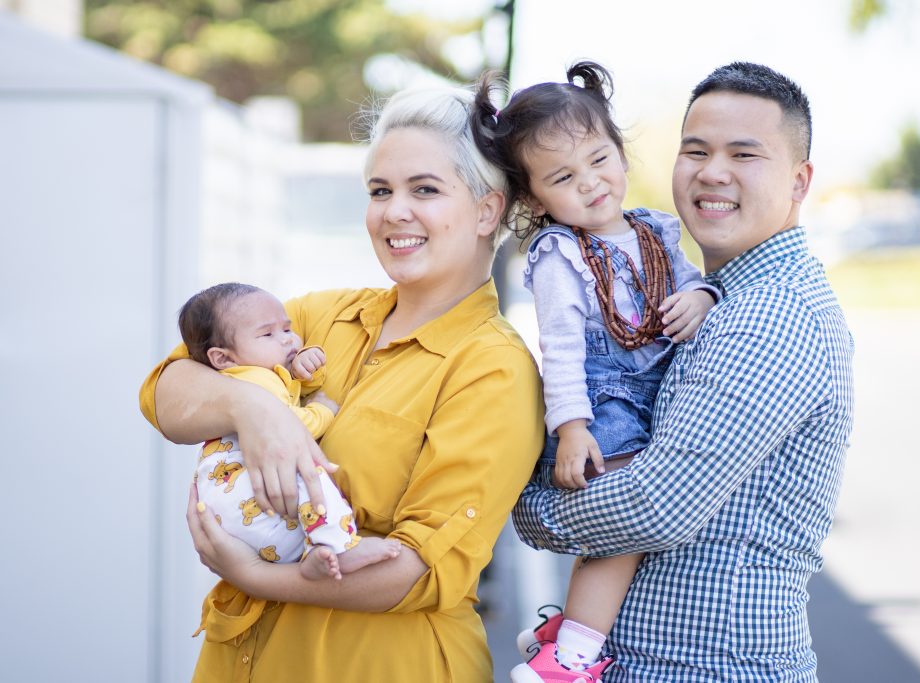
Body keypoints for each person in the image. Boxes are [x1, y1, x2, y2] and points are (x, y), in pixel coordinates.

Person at [138, 82, 545, 682]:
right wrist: (257, 411)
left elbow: (415, 571)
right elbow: (165, 393)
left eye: (424, 190)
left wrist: (253, 576)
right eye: (380, 190)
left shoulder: (493, 366)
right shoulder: (315, 315)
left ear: (488, 209)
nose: (393, 212)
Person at [513, 61, 855, 682]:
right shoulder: (713, 296)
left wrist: (529, 506)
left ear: (800, 181)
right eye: (694, 150)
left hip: (707, 668)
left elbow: (654, 505)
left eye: (744, 154)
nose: (712, 172)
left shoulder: (772, 314)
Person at [472, 62, 719, 682]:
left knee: (622, 537)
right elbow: (560, 349)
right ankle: (569, 658)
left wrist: (705, 297)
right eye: (563, 176)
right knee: (623, 529)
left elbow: (692, 285)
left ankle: (569, 632)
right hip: (603, 402)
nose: (590, 183)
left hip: (662, 399)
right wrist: (574, 427)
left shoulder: (658, 228)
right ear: (534, 198)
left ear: (620, 150)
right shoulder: (560, 253)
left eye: (599, 158)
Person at [179, 282, 401, 580]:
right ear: (223, 358)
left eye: (287, 328)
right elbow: (289, 426)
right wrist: (323, 409)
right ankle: (339, 545)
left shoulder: (244, 376)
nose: (287, 340)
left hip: (228, 511)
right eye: (268, 334)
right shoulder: (256, 382)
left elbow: (289, 391)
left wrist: (304, 370)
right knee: (310, 469)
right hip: (246, 497)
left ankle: (313, 553)